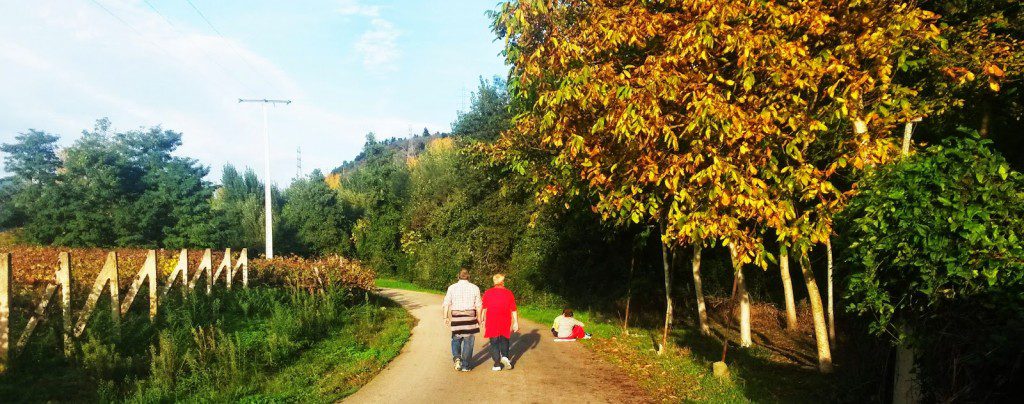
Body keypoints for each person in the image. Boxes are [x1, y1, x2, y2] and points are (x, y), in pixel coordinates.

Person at [442, 269, 482, 372]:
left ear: (458, 276)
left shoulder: (452, 287)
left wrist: (445, 317)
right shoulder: (475, 288)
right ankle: (465, 366)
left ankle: (457, 358)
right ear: (469, 276)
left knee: (456, 338)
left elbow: (446, 303)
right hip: (469, 317)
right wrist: (479, 318)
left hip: (456, 317)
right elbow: (478, 305)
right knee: (468, 342)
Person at [481, 273, 518, 371]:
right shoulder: (509, 293)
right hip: (505, 319)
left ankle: (497, 364)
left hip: (492, 319)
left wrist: (482, 319)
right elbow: (513, 309)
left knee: (494, 342)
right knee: (504, 338)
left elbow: (484, 308)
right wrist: (516, 322)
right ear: (502, 282)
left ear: (494, 282)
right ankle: (505, 357)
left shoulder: (488, 292)